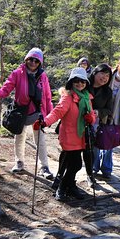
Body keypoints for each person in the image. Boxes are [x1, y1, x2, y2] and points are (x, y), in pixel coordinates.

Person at [0, 48, 54, 179]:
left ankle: (44, 167)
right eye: (31, 59)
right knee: (19, 136)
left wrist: (48, 116)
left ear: (40, 62)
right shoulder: (17, 73)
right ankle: (19, 162)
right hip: (20, 111)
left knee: (40, 139)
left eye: (36, 60)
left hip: (37, 113)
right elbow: (5, 91)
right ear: (26, 59)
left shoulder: (43, 76)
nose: (33, 62)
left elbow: (47, 96)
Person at [42, 67, 96, 201]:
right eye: (76, 81)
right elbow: (57, 112)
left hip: (82, 136)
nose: (80, 84)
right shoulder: (68, 97)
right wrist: (44, 122)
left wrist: (91, 118)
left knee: (75, 164)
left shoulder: (87, 97)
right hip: (69, 136)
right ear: (71, 82)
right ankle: (61, 187)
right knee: (76, 164)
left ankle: (71, 186)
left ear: (86, 83)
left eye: (82, 82)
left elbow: (92, 114)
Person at [93, 55, 120, 179]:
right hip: (99, 114)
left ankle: (106, 168)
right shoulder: (108, 78)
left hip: (116, 117)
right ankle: (94, 167)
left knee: (109, 142)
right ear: (119, 65)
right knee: (95, 140)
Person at [85, 63, 113, 186]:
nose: (104, 77)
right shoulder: (85, 85)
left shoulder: (107, 91)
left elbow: (108, 109)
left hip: (96, 123)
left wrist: (98, 112)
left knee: (93, 148)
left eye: (107, 75)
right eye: (102, 73)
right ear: (95, 73)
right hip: (80, 120)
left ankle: (91, 173)